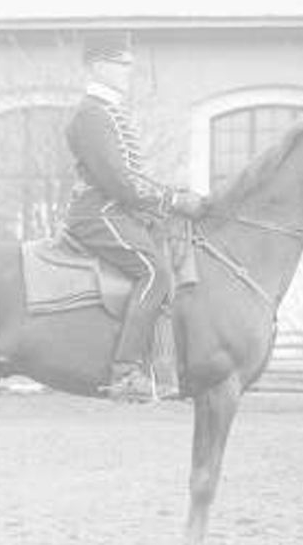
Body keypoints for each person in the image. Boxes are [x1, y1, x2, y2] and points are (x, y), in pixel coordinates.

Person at [63, 32, 206, 403]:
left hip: (115, 210)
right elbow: (121, 185)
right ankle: (125, 371)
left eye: (129, 65)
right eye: (120, 65)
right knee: (154, 270)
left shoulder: (109, 113)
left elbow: (134, 179)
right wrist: (173, 200)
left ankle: (167, 368)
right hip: (99, 212)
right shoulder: (91, 116)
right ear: (98, 67)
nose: (128, 72)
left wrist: (177, 196)